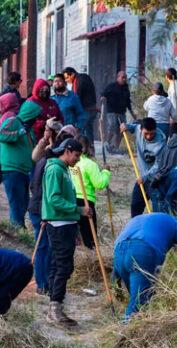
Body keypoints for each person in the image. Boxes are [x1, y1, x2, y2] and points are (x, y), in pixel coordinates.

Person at [42, 138, 91, 326]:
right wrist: (78, 210)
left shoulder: (64, 170)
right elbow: (54, 199)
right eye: (76, 156)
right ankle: (55, 308)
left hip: (66, 223)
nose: (78, 160)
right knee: (62, 266)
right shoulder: (55, 170)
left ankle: (55, 305)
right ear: (68, 151)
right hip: (59, 224)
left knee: (60, 265)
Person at [113, 212, 177, 320]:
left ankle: (139, 321)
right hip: (142, 251)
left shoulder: (140, 219)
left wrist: (117, 289)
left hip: (118, 252)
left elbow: (115, 273)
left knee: (144, 296)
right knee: (138, 305)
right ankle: (124, 331)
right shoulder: (176, 224)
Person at [28, 122, 70, 295]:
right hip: (41, 210)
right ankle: (42, 282)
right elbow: (41, 190)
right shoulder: (51, 166)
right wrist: (45, 212)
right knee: (45, 246)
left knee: (44, 246)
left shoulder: (44, 161)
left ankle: (43, 282)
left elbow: (33, 186)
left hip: (37, 208)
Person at [0, 100, 42, 227]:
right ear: (29, 115)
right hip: (12, 171)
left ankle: (18, 228)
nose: (36, 120)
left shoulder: (30, 130)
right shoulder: (13, 121)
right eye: (34, 117)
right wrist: (20, 132)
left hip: (24, 171)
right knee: (16, 204)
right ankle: (17, 230)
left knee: (23, 203)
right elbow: (2, 135)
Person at [120, 117, 167, 217]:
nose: (149, 136)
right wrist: (125, 126)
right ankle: (136, 228)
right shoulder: (138, 129)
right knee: (135, 207)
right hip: (141, 178)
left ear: (155, 130)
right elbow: (132, 127)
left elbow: (158, 165)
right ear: (141, 130)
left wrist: (145, 176)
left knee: (157, 211)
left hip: (155, 180)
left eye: (152, 134)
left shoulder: (161, 143)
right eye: (146, 134)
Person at [71, 135, 111, 249]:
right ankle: (90, 255)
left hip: (71, 200)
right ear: (87, 147)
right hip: (86, 202)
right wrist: (106, 172)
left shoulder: (68, 162)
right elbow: (100, 184)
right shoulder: (89, 164)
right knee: (89, 236)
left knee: (74, 234)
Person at [0, 92, 20, 203]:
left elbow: (2, 139)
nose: (0, 105)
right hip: (10, 155)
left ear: (8, 103)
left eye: (2, 103)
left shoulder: (8, 116)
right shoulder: (14, 114)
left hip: (3, 155)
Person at [100, 70, 134, 153]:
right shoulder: (111, 86)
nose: (124, 79)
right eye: (123, 77)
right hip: (112, 111)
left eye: (125, 77)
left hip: (122, 112)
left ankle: (115, 147)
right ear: (118, 77)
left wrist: (132, 113)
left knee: (123, 129)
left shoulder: (126, 87)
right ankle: (107, 143)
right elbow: (103, 94)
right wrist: (103, 98)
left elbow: (128, 101)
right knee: (112, 126)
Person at [63, 67, 98, 141]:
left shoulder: (81, 79)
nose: (66, 80)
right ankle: (90, 150)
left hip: (87, 111)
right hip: (90, 110)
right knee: (88, 132)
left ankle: (83, 150)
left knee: (79, 133)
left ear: (72, 74)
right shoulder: (79, 80)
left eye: (67, 78)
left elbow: (76, 97)